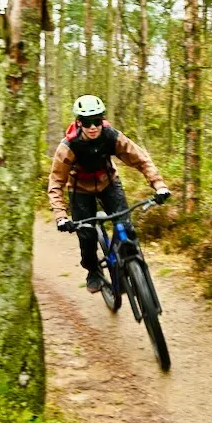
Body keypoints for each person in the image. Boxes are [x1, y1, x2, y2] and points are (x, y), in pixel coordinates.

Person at [48, 95, 171, 293]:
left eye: (97, 120)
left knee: (126, 227)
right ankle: (93, 271)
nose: (93, 127)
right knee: (86, 237)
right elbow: (56, 182)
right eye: (87, 122)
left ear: (102, 120)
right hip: (80, 190)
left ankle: (131, 264)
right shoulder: (69, 146)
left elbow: (140, 159)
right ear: (79, 123)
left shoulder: (111, 136)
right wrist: (61, 216)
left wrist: (159, 185)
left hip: (109, 183)